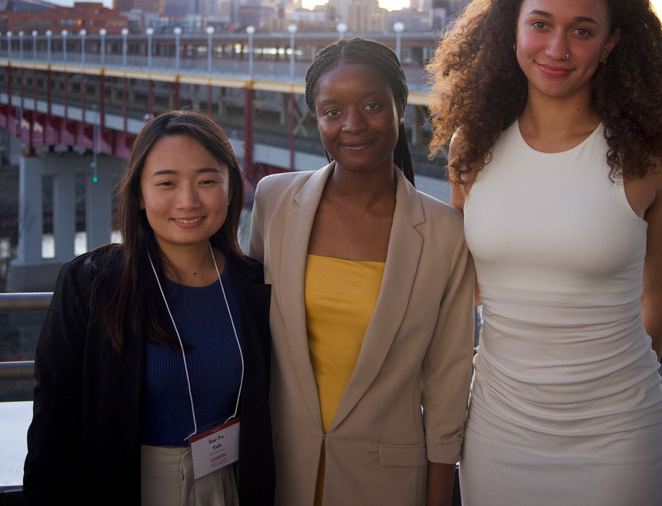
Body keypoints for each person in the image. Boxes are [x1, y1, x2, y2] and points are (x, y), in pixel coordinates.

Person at [428, 0, 662, 505]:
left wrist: (604, 395)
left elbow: (656, 300)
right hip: (499, 428)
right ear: (513, 31)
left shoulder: (656, 156)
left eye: (582, 30)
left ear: (611, 43)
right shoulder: (470, 149)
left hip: (617, 433)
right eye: (540, 25)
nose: (557, 48)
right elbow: (470, 291)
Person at [249, 38, 474, 506]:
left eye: (372, 106)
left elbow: (447, 385)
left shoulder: (446, 233)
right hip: (276, 472)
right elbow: (247, 337)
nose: (352, 125)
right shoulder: (273, 202)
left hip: (387, 483)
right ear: (316, 117)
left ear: (400, 108)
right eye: (332, 111)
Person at [24, 111, 274, 506]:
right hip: (128, 483)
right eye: (167, 183)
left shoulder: (253, 285)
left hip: (228, 483)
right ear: (139, 193)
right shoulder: (92, 285)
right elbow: (54, 421)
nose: (188, 201)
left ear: (231, 189)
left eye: (207, 181)